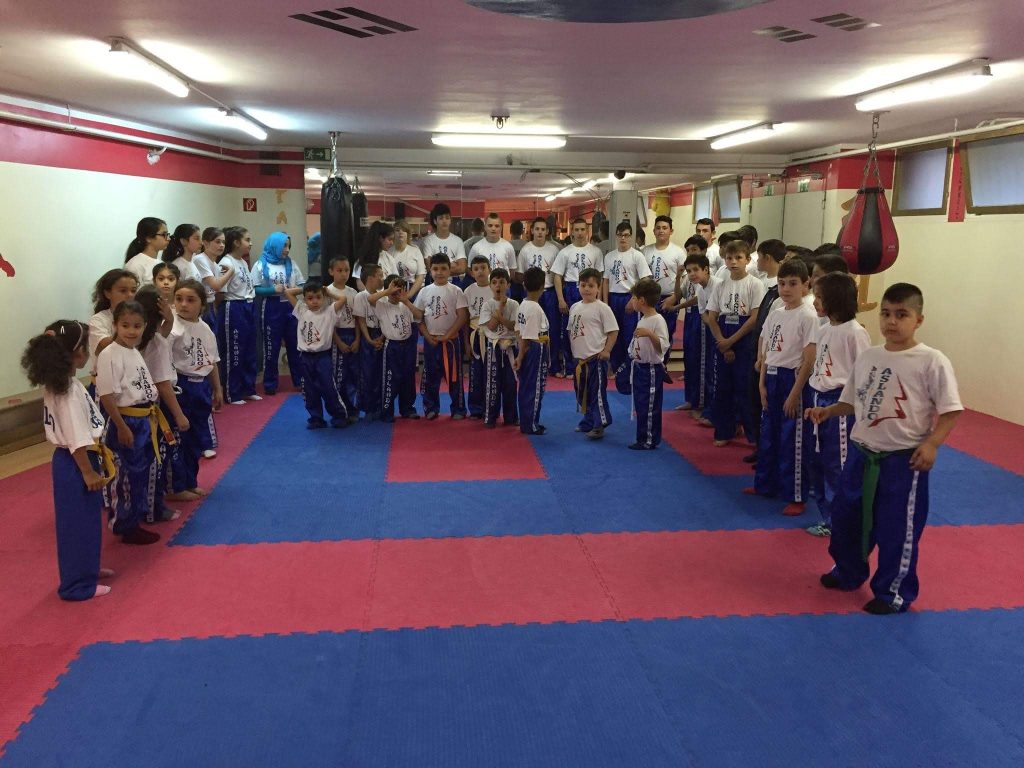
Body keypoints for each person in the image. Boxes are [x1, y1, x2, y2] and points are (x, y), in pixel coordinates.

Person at [807, 283, 962, 615]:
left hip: (902, 459)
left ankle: (893, 592)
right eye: (886, 314)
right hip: (861, 451)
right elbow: (852, 401)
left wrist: (932, 443)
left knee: (896, 528)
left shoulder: (931, 361)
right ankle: (847, 571)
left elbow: (951, 410)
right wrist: (829, 411)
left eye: (901, 315)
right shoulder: (870, 357)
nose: (892, 322)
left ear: (919, 320)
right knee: (846, 517)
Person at [21, 320, 114, 600]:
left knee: (87, 520)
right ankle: (76, 585)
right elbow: (76, 437)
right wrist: (88, 472)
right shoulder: (68, 392)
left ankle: (87, 569)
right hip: (76, 462)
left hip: (74, 460)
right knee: (76, 525)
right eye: (85, 347)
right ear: (76, 353)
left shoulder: (61, 383)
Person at [802, 273, 871, 537]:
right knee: (817, 461)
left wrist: (859, 411)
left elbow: (863, 374)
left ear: (836, 298)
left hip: (839, 402)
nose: (815, 302)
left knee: (837, 464)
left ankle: (839, 520)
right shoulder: (823, 330)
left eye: (820, 297)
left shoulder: (855, 333)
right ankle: (826, 515)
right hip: (817, 399)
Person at [747, 259, 818, 515]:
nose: (786, 289)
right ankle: (766, 483)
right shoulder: (776, 312)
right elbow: (767, 350)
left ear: (806, 285)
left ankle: (796, 494)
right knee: (769, 435)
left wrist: (795, 393)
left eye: (793, 284)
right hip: (772, 376)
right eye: (782, 283)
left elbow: (809, 359)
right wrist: (762, 383)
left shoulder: (808, 316)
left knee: (793, 440)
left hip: (793, 379)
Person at [95, 300, 164, 545]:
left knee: (141, 472)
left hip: (144, 418)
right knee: (126, 474)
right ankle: (126, 525)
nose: (131, 331)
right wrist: (121, 427)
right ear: (115, 325)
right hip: (125, 420)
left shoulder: (133, 351)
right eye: (125, 325)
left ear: (144, 326)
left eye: (137, 326)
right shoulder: (109, 354)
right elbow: (106, 396)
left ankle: (136, 516)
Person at [133, 286, 187, 521]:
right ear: (160, 309)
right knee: (156, 459)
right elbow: (163, 384)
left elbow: (160, 336)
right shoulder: (155, 342)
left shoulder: (136, 339)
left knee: (141, 461)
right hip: (153, 407)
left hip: (135, 409)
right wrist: (179, 415)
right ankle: (153, 508)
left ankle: (147, 506)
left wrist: (169, 319)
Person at [706, 240, 767, 447]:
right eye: (729, 258)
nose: (733, 262)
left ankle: (752, 433)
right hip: (723, 332)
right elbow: (711, 316)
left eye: (738, 258)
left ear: (747, 259)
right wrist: (722, 342)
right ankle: (724, 430)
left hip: (743, 336)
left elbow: (754, 318)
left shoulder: (755, 284)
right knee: (723, 386)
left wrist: (731, 341)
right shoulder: (721, 285)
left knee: (744, 387)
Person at [169, 279, 224, 489]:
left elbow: (213, 361)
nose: (183, 304)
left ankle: (190, 482)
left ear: (202, 304)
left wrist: (217, 388)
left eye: (190, 300)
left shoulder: (205, 328)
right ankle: (177, 486)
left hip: (201, 385)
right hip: (180, 385)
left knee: (196, 439)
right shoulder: (172, 327)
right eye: (179, 299)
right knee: (180, 439)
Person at [284, 280, 352, 429]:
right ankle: (316, 418)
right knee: (309, 390)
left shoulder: (329, 311)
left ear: (323, 297)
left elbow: (343, 299)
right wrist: (305, 288)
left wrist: (327, 291)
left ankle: (339, 415)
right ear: (304, 299)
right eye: (310, 298)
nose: (314, 301)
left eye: (318, 297)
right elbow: (288, 292)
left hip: (323, 357)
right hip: (305, 357)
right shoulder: (302, 310)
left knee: (329, 387)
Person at [744, 239, 786, 463]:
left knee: (768, 406)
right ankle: (761, 447)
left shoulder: (783, 298)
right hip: (760, 351)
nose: (785, 288)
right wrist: (760, 354)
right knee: (755, 401)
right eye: (784, 283)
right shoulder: (768, 289)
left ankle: (768, 451)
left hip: (779, 362)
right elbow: (764, 329)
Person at [415, 254, 469, 419]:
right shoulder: (424, 291)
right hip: (431, 340)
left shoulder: (456, 291)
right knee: (430, 376)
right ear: (430, 270)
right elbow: (418, 318)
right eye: (435, 269)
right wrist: (427, 336)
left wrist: (448, 335)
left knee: (454, 376)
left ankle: (458, 409)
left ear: (450, 270)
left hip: (451, 341)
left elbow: (462, 317)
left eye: (443, 268)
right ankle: (431, 408)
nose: (439, 272)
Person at [568, 268, 619, 440]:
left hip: (596, 358)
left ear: (598, 287)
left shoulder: (603, 308)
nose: (586, 289)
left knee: (597, 393)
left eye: (591, 286)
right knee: (582, 393)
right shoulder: (575, 307)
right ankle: (589, 420)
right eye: (583, 285)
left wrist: (607, 351)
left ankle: (600, 423)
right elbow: (571, 331)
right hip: (579, 359)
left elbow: (613, 331)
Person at [251, 231, 304, 396]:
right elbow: (255, 289)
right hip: (271, 307)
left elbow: (303, 285)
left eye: (289, 246)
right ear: (275, 246)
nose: (287, 249)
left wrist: (293, 290)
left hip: (291, 305)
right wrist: (272, 289)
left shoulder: (291, 263)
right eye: (284, 246)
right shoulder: (260, 264)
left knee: (295, 345)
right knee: (271, 347)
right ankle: (270, 384)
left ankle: (300, 381)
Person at [602, 220, 651, 395]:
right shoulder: (609, 256)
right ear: (616, 236)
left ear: (631, 237)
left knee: (630, 335)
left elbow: (645, 279)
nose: (623, 238)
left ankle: (629, 370)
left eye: (626, 235)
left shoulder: (637, 256)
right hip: (613, 297)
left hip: (630, 297)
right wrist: (605, 303)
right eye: (620, 235)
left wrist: (634, 298)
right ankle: (615, 368)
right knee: (613, 334)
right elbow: (605, 281)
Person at [551, 218, 603, 379]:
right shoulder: (565, 252)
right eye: (577, 230)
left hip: (590, 290)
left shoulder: (596, 251)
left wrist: (598, 298)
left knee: (590, 329)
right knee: (569, 330)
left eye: (582, 229)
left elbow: (600, 276)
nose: (580, 233)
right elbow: (557, 276)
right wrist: (561, 299)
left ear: (587, 231)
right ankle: (569, 367)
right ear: (572, 232)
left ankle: (589, 364)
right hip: (571, 289)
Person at [370, 274, 424, 422]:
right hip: (392, 346)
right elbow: (370, 299)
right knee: (390, 378)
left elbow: (419, 315)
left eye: (400, 291)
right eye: (394, 292)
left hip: (408, 345)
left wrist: (406, 300)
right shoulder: (382, 304)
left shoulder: (405, 304)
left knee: (408, 377)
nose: (397, 295)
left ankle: (408, 409)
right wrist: (387, 292)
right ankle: (387, 412)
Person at [217, 226, 260, 405]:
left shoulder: (242, 261)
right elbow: (220, 292)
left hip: (249, 305)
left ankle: (248, 388)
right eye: (247, 240)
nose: (250, 243)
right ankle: (232, 392)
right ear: (236, 242)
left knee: (250, 349)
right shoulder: (226, 263)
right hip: (234, 307)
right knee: (234, 351)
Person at [642, 215, 687, 380]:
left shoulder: (678, 252)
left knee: (666, 333)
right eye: (658, 228)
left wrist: (675, 297)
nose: (661, 231)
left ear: (671, 231)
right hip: (649, 298)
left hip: (669, 296)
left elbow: (684, 279)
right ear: (654, 230)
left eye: (664, 228)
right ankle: (649, 364)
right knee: (648, 331)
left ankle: (662, 365)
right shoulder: (645, 251)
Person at [516, 217, 562, 377]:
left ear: (547, 231)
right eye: (537, 229)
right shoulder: (526, 250)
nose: (540, 232)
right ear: (532, 230)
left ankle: (553, 365)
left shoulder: (554, 250)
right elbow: (519, 274)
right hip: (530, 293)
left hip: (549, 292)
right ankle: (529, 362)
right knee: (529, 329)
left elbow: (558, 274)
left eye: (543, 229)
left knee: (552, 329)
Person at [628, 278, 670, 450]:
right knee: (641, 404)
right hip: (640, 367)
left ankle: (649, 439)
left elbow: (663, 346)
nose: (631, 301)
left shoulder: (657, 320)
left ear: (642, 300)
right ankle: (642, 437)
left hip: (651, 369)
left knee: (650, 405)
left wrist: (650, 335)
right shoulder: (643, 319)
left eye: (633, 298)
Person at [479, 268, 519, 427]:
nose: (498, 285)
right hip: (493, 348)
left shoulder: (514, 304)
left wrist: (500, 316)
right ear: (490, 285)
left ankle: (511, 417)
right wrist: (500, 307)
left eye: (502, 282)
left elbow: (513, 326)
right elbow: (492, 326)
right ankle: (490, 416)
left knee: (510, 384)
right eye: (494, 282)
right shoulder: (487, 305)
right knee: (492, 384)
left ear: (508, 285)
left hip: (510, 347)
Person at [672, 235, 708, 412]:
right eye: (688, 250)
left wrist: (677, 306)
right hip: (689, 317)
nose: (690, 253)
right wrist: (678, 276)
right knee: (689, 357)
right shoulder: (689, 275)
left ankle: (700, 401)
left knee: (700, 359)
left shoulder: (707, 274)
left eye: (694, 249)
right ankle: (690, 398)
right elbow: (679, 294)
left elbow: (698, 298)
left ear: (703, 251)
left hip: (701, 316)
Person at [513, 267, 550, 436]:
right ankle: (531, 425)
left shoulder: (523, 305)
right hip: (534, 348)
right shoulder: (534, 308)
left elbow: (518, 331)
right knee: (534, 388)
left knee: (526, 386)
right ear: (543, 286)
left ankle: (527, 421)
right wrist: (520, 356)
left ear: (524, 285)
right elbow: (528, 337)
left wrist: (519, 354)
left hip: (527, 347)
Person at [88, 269, 139, 384]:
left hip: (132, 379)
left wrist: (168, 320)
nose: (130, 295)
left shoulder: (139, 317)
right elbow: (106, 344)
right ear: (107, 293)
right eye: (123, 291)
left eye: (133, 290)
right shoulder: (98, 319)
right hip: (105, 382)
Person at [326, 257, 360, 422]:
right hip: (336, 335)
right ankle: (340, 411)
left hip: (353, 334)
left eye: (346, 270)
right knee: (339, 375)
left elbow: (358, 318)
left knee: (354, 375)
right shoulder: (327, 292)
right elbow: (327, 321)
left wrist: (358, 339)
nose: (344, 274)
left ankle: (352, 409)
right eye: (339, 270)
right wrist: (338, 341)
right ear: (331, 271)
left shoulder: (353, 292)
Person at [352, 263, 385, 421]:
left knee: (380, 373)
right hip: (368, 336)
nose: (382, 278)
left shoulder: (383, 296)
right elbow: (361, 321)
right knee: (367, 373)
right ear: (371, 278)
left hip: (382, 333)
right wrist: (369, 339)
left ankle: (379, 406)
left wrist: (382, 337)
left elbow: (386, 320)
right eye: (380, 275)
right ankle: (367, 407)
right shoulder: (361, 296)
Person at [463, 256, 493, 419]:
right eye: (476, 269)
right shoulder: (468, 291)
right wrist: (466, 343)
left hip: (493, 336)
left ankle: (491, 407)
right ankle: (475, 408)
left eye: (483, 268)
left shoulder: (495, 287)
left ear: (489, 269)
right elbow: (465, 319)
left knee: (491, 373)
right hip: (475, 334)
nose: (480, 271)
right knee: (475, 373)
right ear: (471, 272)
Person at [193, 227, 233, 329]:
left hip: (210, 305)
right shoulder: (199, 259)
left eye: (223, 242)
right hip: (199, 306)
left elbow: (216, 291)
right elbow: (216, 286)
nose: (222, 245)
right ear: (206, 243)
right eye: (218, 242)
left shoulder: (215, 264)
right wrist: (231, 271)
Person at [420, 203, 468, 286]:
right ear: (435, 221)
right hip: (434, 282)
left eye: (447, 218)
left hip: (454, 282)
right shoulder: (428, 241)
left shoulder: (458, 241)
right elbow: (430, 267)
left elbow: (462, 268)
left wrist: (439, 268)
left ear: (450, 220)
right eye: (441, 218)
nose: (444, 221)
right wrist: (452, 264)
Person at [383, 220, 426, 298]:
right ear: (393, 234)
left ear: (408, 234)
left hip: (412, 290)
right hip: (392, 291)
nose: (401, 232)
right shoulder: (388, 252)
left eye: (404, 230)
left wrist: (409, 295)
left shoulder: (415, 250)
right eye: (397, 230)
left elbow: (420, 277)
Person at [124, 217, 170, 287]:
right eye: (164, 235)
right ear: (148, 238)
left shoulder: (161, 263)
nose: (168, 238)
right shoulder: (135, 265)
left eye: (168, 234)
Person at [355, 221, 395, 291]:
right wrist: (377, 295)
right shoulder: (363, 259)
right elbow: (360, 285)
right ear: (380, 238)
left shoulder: (390, 258)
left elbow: (395, 280)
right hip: (371, 297)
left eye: (392, 240)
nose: (392, 243)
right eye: (389, 239)